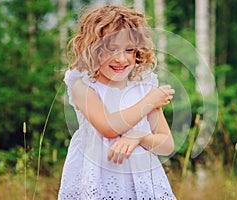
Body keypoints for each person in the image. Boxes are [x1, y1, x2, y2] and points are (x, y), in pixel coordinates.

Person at [58, 5, 176, 199]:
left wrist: (138, 136)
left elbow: (166, 144)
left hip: (142, 182)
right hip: (99, 178)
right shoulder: (84, 87)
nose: (121, 58)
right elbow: (108, 127)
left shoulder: (142, 87)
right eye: (111, 49)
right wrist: (149, 101)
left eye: (129, 49)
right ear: (93, 49)